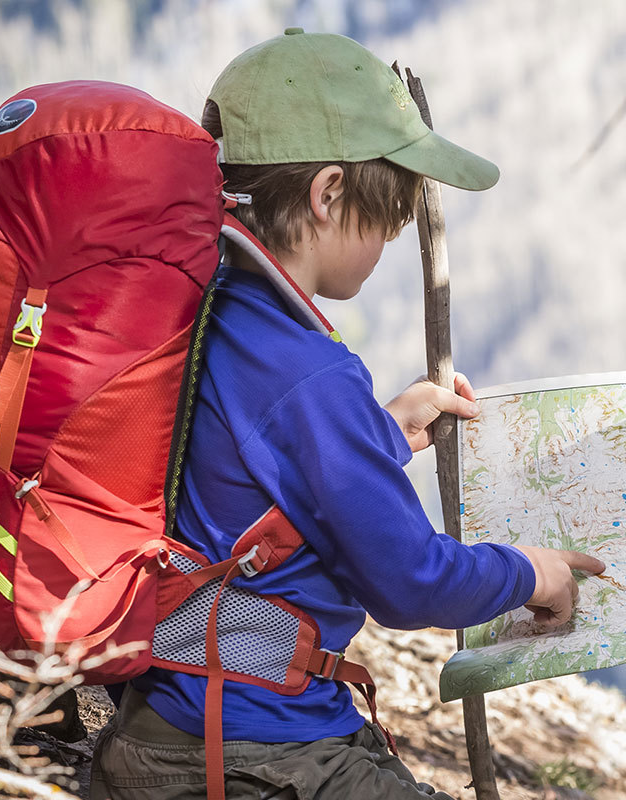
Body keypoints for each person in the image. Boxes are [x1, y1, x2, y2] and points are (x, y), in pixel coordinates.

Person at [90, 29, 604, 799]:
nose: (391, 242)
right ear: (329, 194)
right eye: (387, 223)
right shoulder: (311, 374)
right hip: (252, 754)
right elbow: (411, 581)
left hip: (160, 726)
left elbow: (249, 472)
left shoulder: (206, 313)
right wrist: (532, 571)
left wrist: (377, 433)